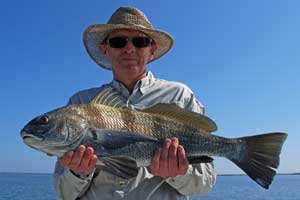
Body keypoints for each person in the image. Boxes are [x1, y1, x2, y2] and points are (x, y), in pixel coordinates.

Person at [54, 6, 216, 200]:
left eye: (140, 42)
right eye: (118, 41)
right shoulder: (79, 104)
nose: (129, 49)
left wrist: (177, 173)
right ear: (105, 49)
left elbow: (204, 184)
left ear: (152, 50)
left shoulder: (179, 95)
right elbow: (64, 193)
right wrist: (78, 172)